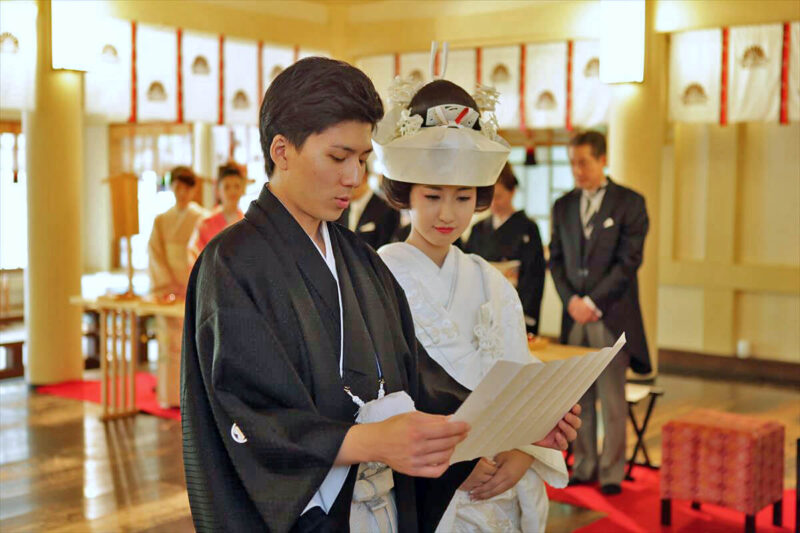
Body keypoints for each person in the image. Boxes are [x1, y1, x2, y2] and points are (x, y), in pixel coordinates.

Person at [181, 57, 579, 533]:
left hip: (381, 509)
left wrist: (521, 423)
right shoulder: (234, 262)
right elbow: (248, 416)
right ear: (281, 150)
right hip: (315, 513)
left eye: (363, 160)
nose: (353, 177)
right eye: (338, 157)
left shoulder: (359, 259)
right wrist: (369, 442)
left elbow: (418, 383)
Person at [375, 78, 573, 532]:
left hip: (499, 484)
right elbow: (381, 398)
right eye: (432, 197)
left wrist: (524, 451)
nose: (448, 214)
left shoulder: (490, 281)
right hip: (428, 482)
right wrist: (454, 461)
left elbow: (519, 374)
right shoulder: (380, 277)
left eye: (463, 198)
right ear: (405, 193)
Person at [549, 130, 651, 495]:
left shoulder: (630, 203)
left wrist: (592, 302)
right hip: (574, 317)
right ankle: (585, 464)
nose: (577, 171)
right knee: (580, 400)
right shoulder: (562, 206)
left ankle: (611, 471)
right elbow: (556, 259)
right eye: (573, 163)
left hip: (611, 317)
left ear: (602, 159)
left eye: (584, 163)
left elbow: (628, 263)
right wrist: (571, 301)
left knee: (611, 399)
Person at [146, 166, 205, 407]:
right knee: (167, 342)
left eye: (186, 187)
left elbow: (202, 253)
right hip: (168, 289)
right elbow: (155, 254)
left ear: (193, 189)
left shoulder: (202, 217)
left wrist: (191, 284)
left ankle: (191, 400)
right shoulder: (161, 220)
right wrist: (166, 285)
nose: (181, 192)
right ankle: (168, 395)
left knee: (192, 343)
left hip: (192, 287)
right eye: (177, 186)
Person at [465, 163, 546, 335]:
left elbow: (534, 276)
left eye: (499, 196)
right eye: (490, 197)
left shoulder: (528, 228)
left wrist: (526, 314)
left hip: (514, 304)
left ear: (512, 192)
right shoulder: (478, 229)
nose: (493, 203)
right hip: (483, 306)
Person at [188, 162, 246, 262]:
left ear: (243, 189)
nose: (232, 191)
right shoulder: (205, 223)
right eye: (227, 187)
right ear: (218, 191)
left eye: (237, 186)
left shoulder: (248, 222)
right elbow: (195, 255)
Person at [336, 166, 400, 250]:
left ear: (364, 177)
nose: (344, 186)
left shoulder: (387, 210)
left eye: (349, 180)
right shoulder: (340, 208)